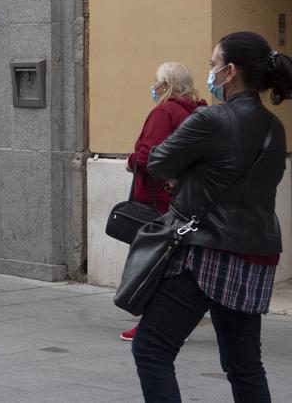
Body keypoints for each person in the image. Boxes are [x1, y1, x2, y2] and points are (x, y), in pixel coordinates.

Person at [135, 32, 291, 401]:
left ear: (229, 71)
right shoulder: (276, 128)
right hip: (255, 254)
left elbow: (157, 162)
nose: (210, 73)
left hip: (206, 252)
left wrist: (189, 171)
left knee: (152, 349)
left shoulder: (212, 120)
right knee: (245, 366)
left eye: (212, 65)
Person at [118, 62, 205, 342]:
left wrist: (132, 161)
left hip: (156, 198)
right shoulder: (198, 112)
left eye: (156, 81)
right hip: (185, 198)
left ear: (167, 84)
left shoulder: (164, 112)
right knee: (175, 260)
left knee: (151, 261)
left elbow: (148, 156)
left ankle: (150, 323)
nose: (153, 86)